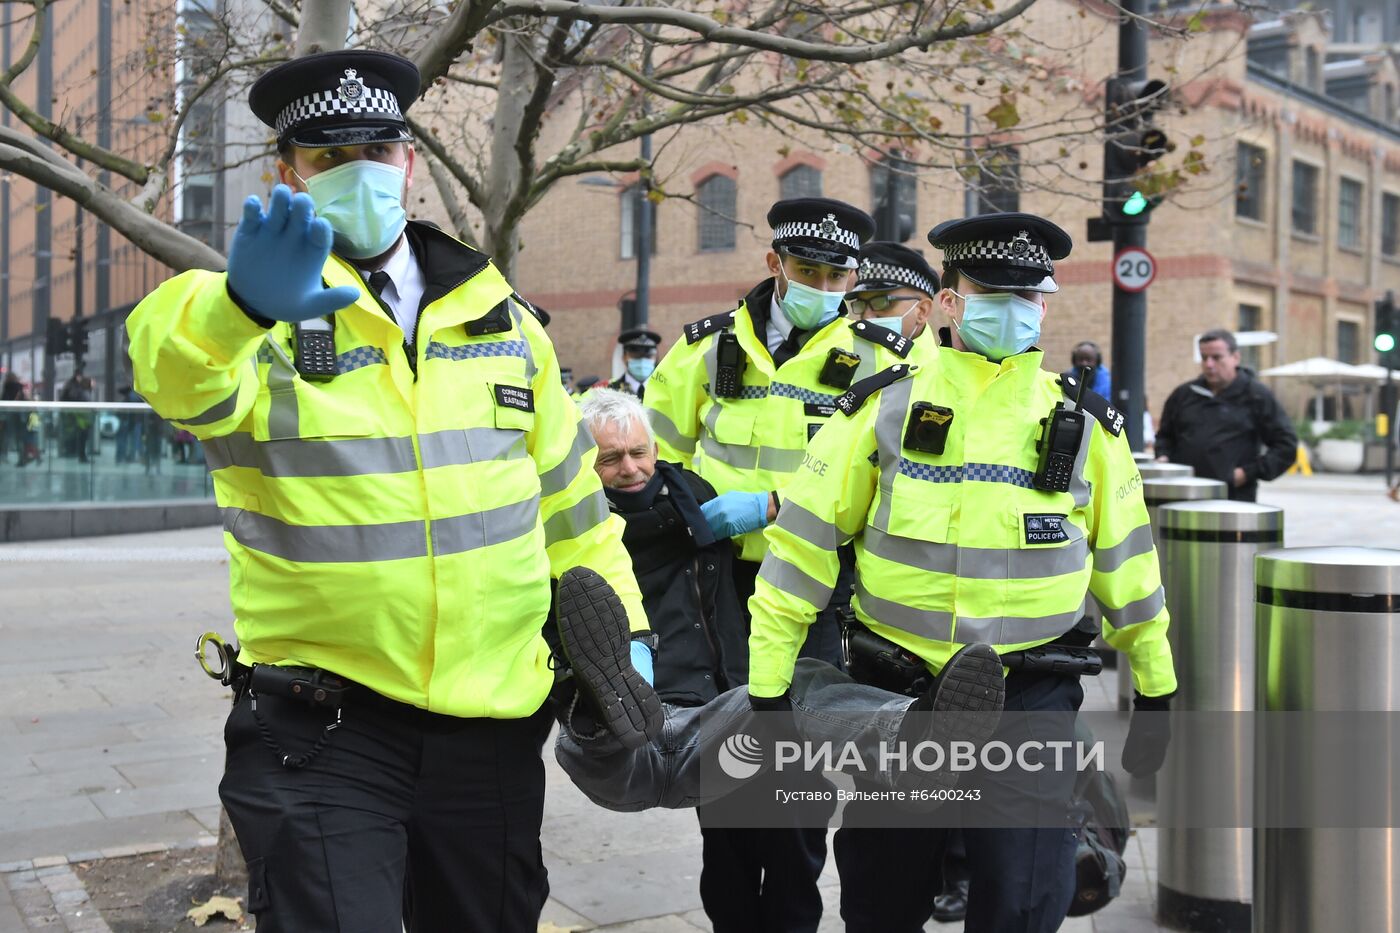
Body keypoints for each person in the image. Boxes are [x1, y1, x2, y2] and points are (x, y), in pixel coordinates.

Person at [126, 49, 661, 933]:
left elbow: (575, 513)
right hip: (323, 726)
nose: (357, 172)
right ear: (287, 170)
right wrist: (243, 308)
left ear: (408, 160)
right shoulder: (243, 313)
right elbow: (173, 370)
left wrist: (630, 633)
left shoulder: (503, 320)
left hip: (490, 719)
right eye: (328, 157)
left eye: (376, 150)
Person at [746, 211, 1178, 933]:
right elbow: (802, 549)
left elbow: (1130, 566)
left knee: (1022, 899)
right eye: (992, 292)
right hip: (898, 698)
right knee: (883, 902)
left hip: (1029, 695)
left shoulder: (1085, 429)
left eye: (1029, 296)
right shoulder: (882, 408)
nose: (1014, 310)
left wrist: (1158, 688)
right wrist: (768, 683)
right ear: (948, 301)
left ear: (1045, 305)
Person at [644, 196, 918, 931]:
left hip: (812, 595)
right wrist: (690, 508)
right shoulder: (707, 348)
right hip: (718, 589)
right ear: (775, 264)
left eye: (838, 273)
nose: (823, 284)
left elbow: (890, 479)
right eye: (808, 268)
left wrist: (769, 505)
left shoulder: (883, 365)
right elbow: (652, 455)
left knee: (797, 793)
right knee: (725, 787)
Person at [1155, 328, 1296, 502]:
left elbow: (1286, 446)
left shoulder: (1256, 396)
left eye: (1216, 357)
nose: (1209, 364)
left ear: (1235, 357)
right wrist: (1163, 457)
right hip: (1184, 497)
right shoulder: (1184, 394)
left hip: (1232, 502)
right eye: (1204, 358)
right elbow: (1165, 436)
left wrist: (1246, 473)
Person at [846, 241, 941, 364]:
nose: (867, 317)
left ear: (922, 311)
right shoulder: (846, 360)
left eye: (882, 303)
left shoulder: (945, 374)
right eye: (861, 305)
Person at [606, 328, 662, 400]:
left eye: (648, 356)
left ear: (655, 358)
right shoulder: (611, 391)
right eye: (636, 355)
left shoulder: (664, 390)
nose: (642, 360)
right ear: (624, 357)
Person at [1, 371, 22, 462]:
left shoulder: (6, 387)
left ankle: (4, 455)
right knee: (17, 436)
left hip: (6, 415)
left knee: (5, 436)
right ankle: (21, 456)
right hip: (16, 415)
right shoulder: (17, 387)